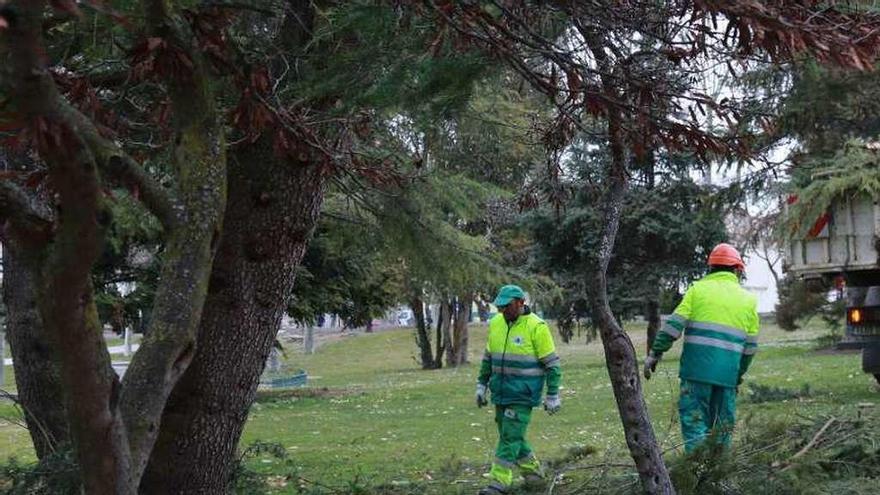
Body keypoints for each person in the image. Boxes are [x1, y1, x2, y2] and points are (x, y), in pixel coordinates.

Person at [644, 243, 759, 453]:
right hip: (726, 378)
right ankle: (718, 476)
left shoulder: (697, 291)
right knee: (722, 430)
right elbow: (750, 348)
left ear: (711, 268)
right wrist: (737, 375)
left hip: (695, 374)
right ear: (737, 270)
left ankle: (697, 474)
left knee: (695, 424)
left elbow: (673, 326)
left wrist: (655, 353)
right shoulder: (748, 301)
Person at [475, 285, 562, 494]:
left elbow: (552, 365)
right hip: (500, 392)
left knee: (509, 438)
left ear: (521, 303)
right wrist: (481, 385)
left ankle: (498, 483)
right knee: (513, 436)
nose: (503, 311)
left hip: (523, 395)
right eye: (500, 307)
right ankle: (534, 474)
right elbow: (489, 358)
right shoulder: (496, 323)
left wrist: (553, 395)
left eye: (507, 306)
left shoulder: (536, 326)